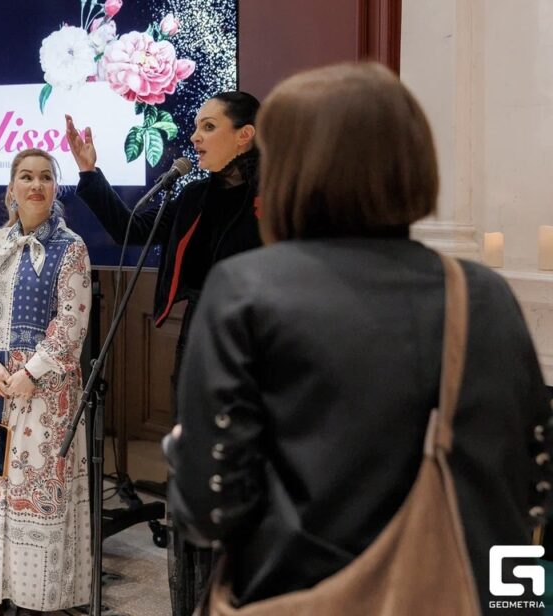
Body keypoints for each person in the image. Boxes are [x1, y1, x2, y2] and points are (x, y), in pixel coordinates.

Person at [166, 62, 553, 614]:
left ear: (290, 168)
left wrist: (184, 451)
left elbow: (207, 512)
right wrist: (522, 604)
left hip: (291, 599)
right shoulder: (481, 294)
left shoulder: (245, 291)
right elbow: (532, 488)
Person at [65, 92, 262, 615]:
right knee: (197, 469)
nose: (194, 136)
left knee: (245, 470)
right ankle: (195, 600)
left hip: (259, 345)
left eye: (209, 126)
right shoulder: (195, 195)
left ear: (245, 136)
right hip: (199, 338)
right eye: (196, 126)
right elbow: (131, 230)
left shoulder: (280, 195)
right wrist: (90, 173)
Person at [0, 148, 92, 616]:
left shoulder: (71, 247)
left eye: (45, 177)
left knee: (37, 491)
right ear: (12, 190)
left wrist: (29, 373)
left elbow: (71, 324)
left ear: (55, 189)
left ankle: (39, 595)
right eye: (26, 177)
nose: (36, 185)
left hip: (45, 389)